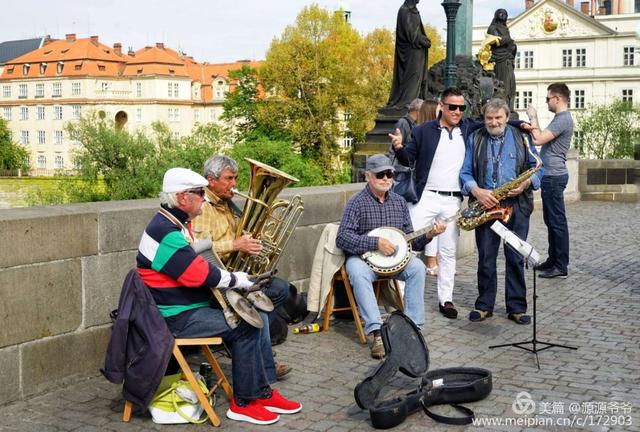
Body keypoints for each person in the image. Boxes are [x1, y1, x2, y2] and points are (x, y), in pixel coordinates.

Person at [137, 167, 301, 425]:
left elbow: (198, 267)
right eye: (199, 193)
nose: (204, 197)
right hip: (176, 318)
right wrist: (237, 279)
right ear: (182, 198)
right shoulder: (166, 232)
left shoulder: (174, 223)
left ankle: (261, 392)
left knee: (255, 313)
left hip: (186, 305)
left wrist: (236, 281)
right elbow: (198, 275)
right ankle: (244, 402)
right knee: (246, 326)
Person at [191, 155, 292, 378]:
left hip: (235, 274)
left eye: (235, 178)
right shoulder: (204, 208)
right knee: (258, 305)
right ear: (210, 180)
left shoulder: (228, 204)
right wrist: (236, 245)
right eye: (229, 178)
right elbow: (199, 250)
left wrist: (252, 241)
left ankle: (255, 351)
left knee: (281, 289)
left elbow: (240, 235)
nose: (234, 184)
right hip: (217, 283)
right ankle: (263, 367)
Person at [336, 154, 445, 359]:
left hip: (395, 261)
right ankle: (377, 333)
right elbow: (343, 238)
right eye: (380, 174)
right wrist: (375, 243)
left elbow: (410, 241)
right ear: (368, 176)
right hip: (364, 259)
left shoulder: (399, 202)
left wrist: (430, 234)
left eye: (390, 174)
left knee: (418, 268)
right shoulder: (356, 203)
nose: (386, 178)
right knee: (357, 273)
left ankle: (413, 328)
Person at [390, 88, 477, 320]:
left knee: (448, 251)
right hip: (425, 196)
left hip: (452, 199)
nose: (457, 112)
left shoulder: (467, 128)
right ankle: (401, 297)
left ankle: (445, 299)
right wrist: (398, 147)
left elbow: (495, 120)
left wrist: (522, 125)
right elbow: (409, 159)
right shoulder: (422, 131)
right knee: (410, 246)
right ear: (442, 106)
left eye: (461, 107)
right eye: (452, 107)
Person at [459, 98, 544, 325]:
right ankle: (484, 305)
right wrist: (476, 191)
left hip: (516, 205)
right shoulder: (475, 138)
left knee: (515, 257)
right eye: (489, 118)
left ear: (507, 118)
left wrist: (526, 184)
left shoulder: (523, 137)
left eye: (498, 118)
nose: (494, 122)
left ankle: (516, 307)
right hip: (487, 205)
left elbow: (537, 168)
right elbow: (465, 173)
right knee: (486, 258)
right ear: (484, 118)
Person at [526, 83, 573, 279]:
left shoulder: (563, 119)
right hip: (550, 175)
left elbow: (538, 139)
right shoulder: (560, 119)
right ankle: (553, 260)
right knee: (551, 220)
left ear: (557, 99)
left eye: (548, 98)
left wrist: (532, 117)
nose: (547, 102)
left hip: (554, 176)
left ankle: (560, 265)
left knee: (557, 221)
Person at [386, 0, 431, 109]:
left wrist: (424, 39)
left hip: (418, 51)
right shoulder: (404, 10)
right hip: (411, 52)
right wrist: (422, 40)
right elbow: (410, 33)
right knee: (413, 76)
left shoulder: (414, 11)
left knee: (418, 77)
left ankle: (415, 102)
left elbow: (418, 31)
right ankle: (408, 102)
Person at [487, 9, 517, 111]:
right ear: (496, 15)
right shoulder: (493, 28)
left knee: (511, 85)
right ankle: (501, 108)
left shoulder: (505, 28)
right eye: (501, 13)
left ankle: (509, 108)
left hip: (508, 59)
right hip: (499, 59)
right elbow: (495, 41)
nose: (503, 15)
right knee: (503, 84)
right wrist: (508, 40)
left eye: (505, 14)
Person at [387, 98, 423, 174]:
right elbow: (394, 147)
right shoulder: (403, 123)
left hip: (408, 168)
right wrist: (391, 169)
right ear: (418, 111)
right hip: (400, 170)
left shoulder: (414, 124)